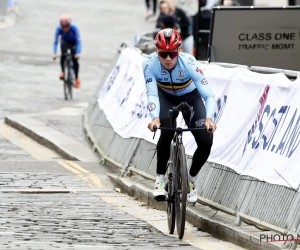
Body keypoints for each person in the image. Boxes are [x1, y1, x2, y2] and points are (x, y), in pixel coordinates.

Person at [142, 28, 217, 202]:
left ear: (179, 51)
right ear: (156, 51)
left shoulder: (189, 63)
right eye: (163, 54)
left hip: (191, 98)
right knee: (166, 131)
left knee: (206, 140)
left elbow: (208, 95)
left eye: (172, 53)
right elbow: (152, 94)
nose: (168, 58)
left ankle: (190, 180)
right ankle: (160, 179)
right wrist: (154, 117)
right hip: (166, 97)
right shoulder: (149, 64)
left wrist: (209, 118)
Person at [52, 15, 81, 89]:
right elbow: (55, 41)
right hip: (64, 42)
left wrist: (77, 53)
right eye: (63, 26)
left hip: (73, 43)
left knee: (75, 60)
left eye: (66, 26)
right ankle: (63, 71)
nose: (65, 28)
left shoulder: (74, 29)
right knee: (63, 55)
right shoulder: (58, 29)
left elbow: (79, 41)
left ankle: (77, 78)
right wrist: (54, 53)